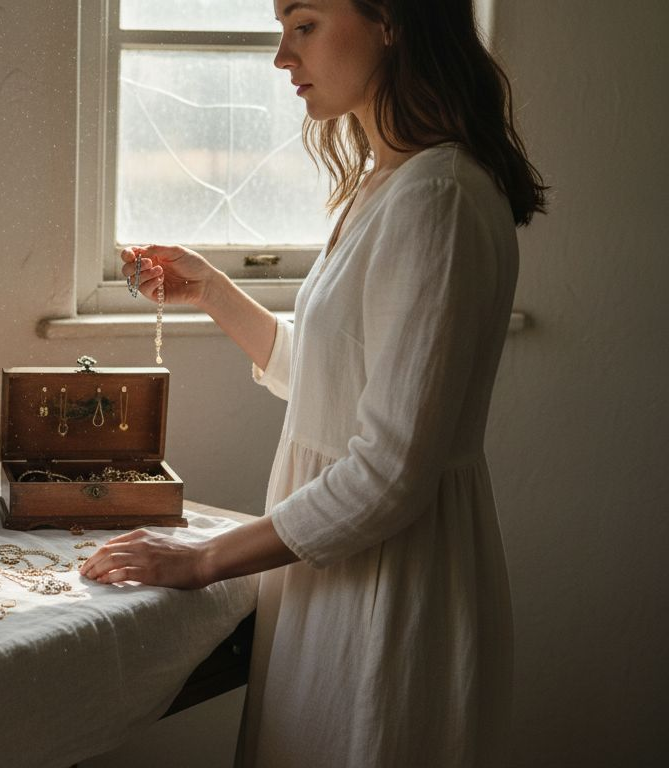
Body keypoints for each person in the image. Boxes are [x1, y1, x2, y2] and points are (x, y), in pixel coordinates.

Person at [78, 1, 545, 765]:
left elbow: (389, 474)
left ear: (391, 19)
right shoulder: (386, 184)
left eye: (303, 25)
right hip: (334, 572)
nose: (281, 59)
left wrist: (201, 559)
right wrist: (211, 291)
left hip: (390, 588)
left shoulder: (439, 198)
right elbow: (338, 383)